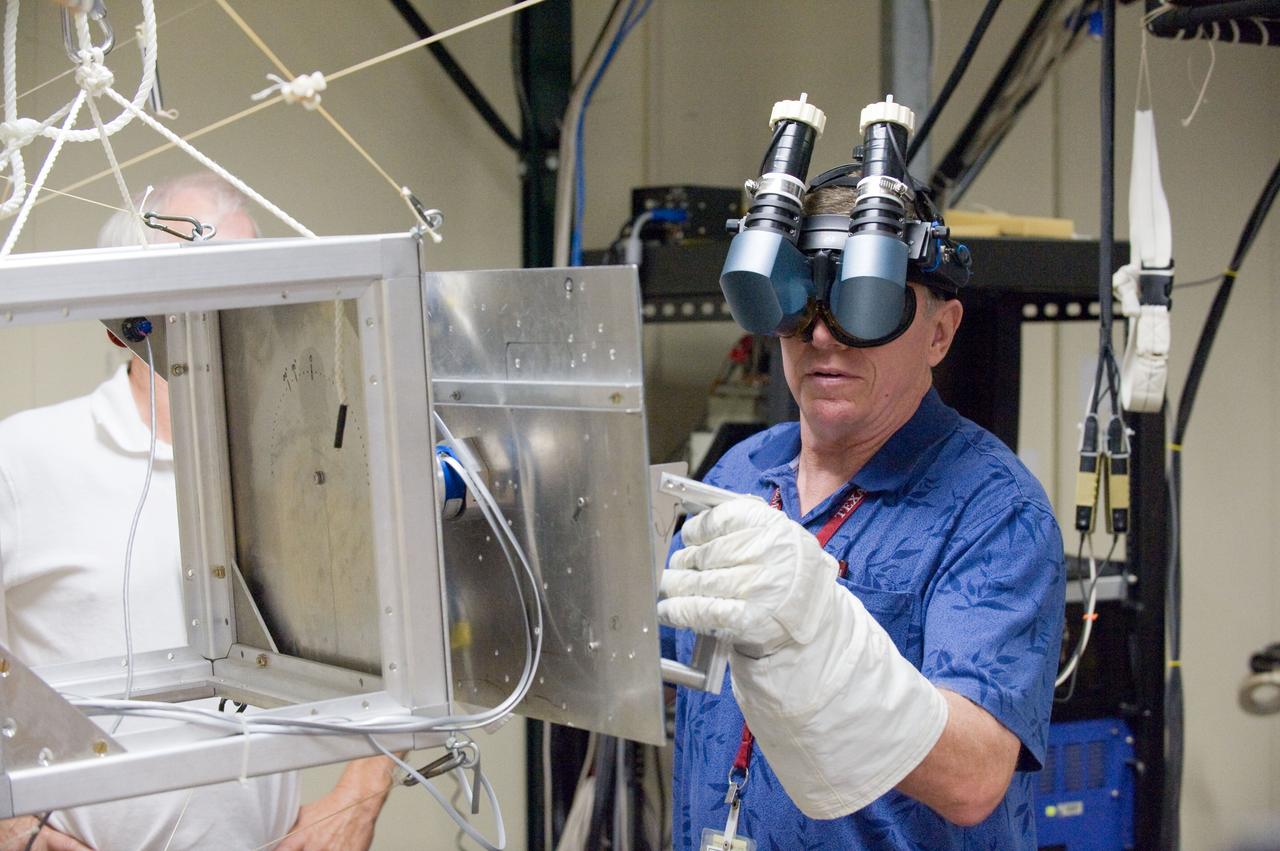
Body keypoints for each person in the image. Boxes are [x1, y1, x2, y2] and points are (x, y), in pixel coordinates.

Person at [659, 187, 1066, 849]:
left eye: (863, 305)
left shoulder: (993, 509)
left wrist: (819, 633)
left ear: (939, 331)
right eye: (801, 304)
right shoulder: (739, 473)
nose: (822, 335)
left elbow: (974, 777)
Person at [0, 173, 393, 851]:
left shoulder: (309, 460)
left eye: (251, 275)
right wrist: (14, 823)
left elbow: (408, 626)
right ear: (127, 312)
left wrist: (361, 793)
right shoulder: (26, 455)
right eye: (205, 274)